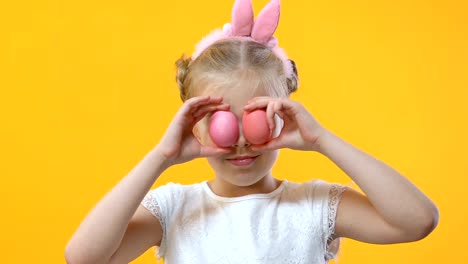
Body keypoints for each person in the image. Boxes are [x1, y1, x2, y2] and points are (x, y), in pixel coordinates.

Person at [65, 0, 439, 263]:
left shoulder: (312, 205)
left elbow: (417, 221)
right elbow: (83, 257)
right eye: (223, 120)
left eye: (257, 116)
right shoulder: (174, 208)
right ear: (194, 124)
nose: (242, 139)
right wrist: (160, 158)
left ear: (284, 115)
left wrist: (322, 140)